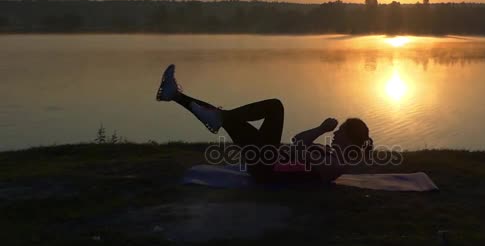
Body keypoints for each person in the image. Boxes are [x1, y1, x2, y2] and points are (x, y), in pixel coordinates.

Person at [155, 64, 373, 184]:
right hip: (266, 157)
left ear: (349, 140)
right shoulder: (331, 155)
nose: (335, 134)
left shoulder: (335, 165)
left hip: (267, 167)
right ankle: (173, 95)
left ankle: (212, 115)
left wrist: (321, 129)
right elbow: (298, 143)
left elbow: (298, 145)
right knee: (227, 117)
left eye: (340, 132)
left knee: (275, 107)